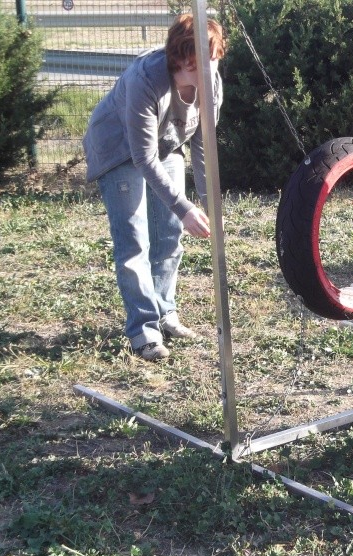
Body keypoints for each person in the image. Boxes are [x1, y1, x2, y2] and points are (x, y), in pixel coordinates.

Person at [84, 15, 226, 361]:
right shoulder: (145, 79)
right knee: (135, 241)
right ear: (181, 58)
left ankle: (165, 312)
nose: (210, 67)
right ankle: (143, 331)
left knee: (170, 234)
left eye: (214, 58)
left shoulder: (213, 81)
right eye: (200, 61)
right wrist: (185, 206)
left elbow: (203, 146)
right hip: (119, 151)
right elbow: (142, 157)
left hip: (165, 147)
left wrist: (208, 205)